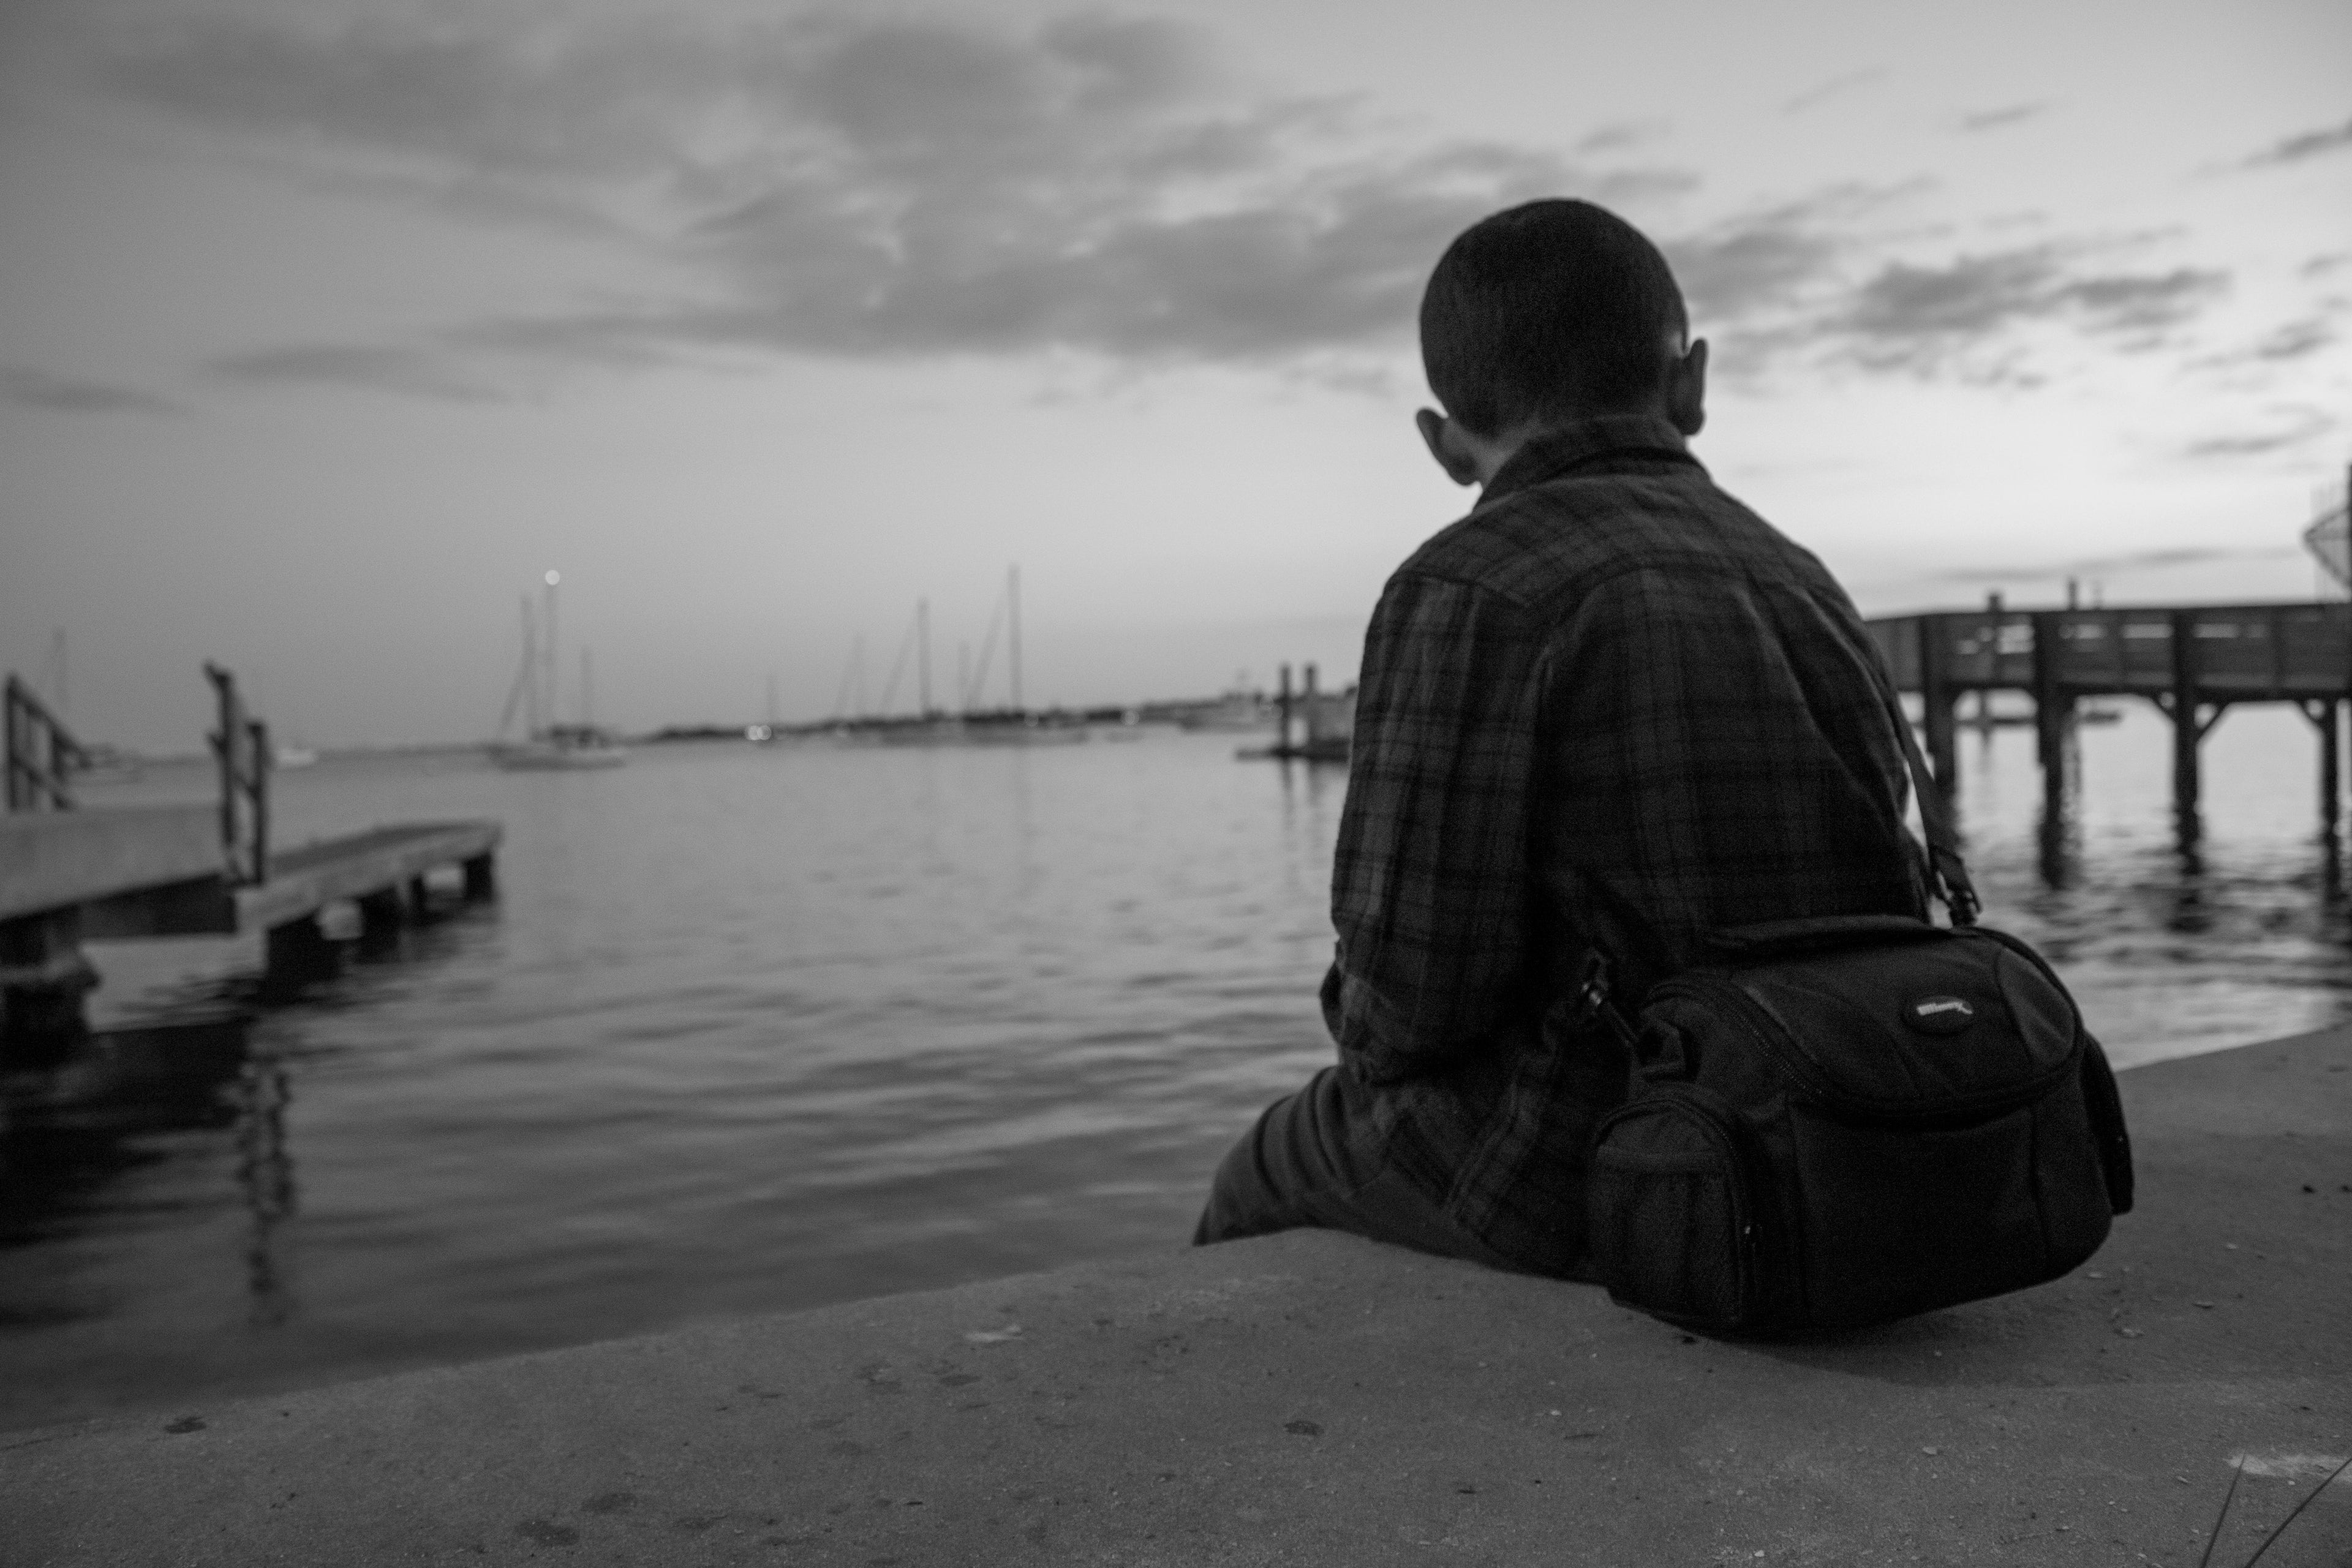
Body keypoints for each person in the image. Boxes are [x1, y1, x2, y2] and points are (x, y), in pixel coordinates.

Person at [1193, 197, 1931, 1278]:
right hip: (1842, 1114)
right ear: (1692, 385)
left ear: (1446, 447)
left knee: (1259, 1174)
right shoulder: (1797, 569)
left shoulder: (1468, 584)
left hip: (1601, 1162)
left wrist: (1356, 1017)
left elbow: (1411, 1004)